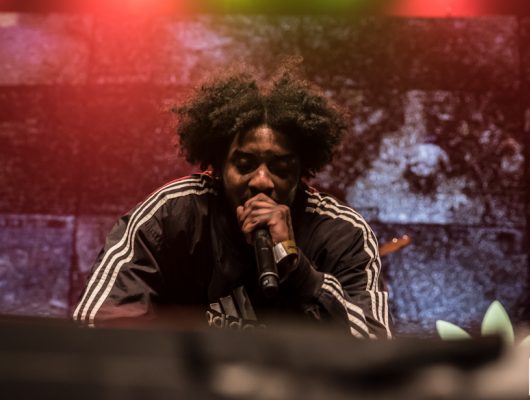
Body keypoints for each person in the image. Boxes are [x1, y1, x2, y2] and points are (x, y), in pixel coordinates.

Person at [74, 64, 391, 338]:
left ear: (302, 170)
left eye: (280, 168)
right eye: (244, 164)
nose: (262, 181)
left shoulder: (341, 233)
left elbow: (375, 346)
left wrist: (297, 269)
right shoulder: (172, 214)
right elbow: (97, 322)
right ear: (217, 165)